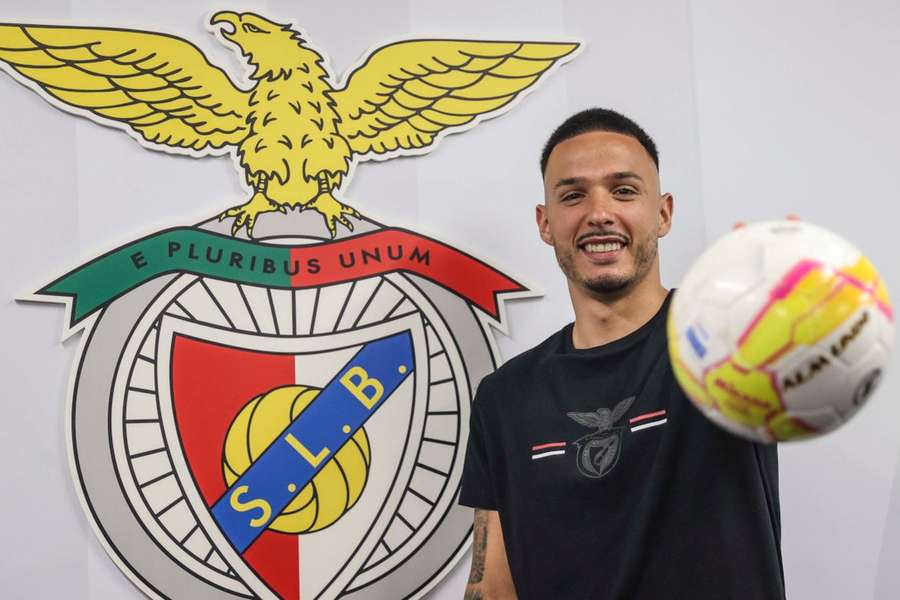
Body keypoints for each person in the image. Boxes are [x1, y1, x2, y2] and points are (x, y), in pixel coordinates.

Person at [458, 108, 785, 599]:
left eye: (624, 190)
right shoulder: (505, 397)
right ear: (546, 224)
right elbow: (492, 585)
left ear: (664, 213)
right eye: (573, 195)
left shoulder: (730, 339)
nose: (599, 212)